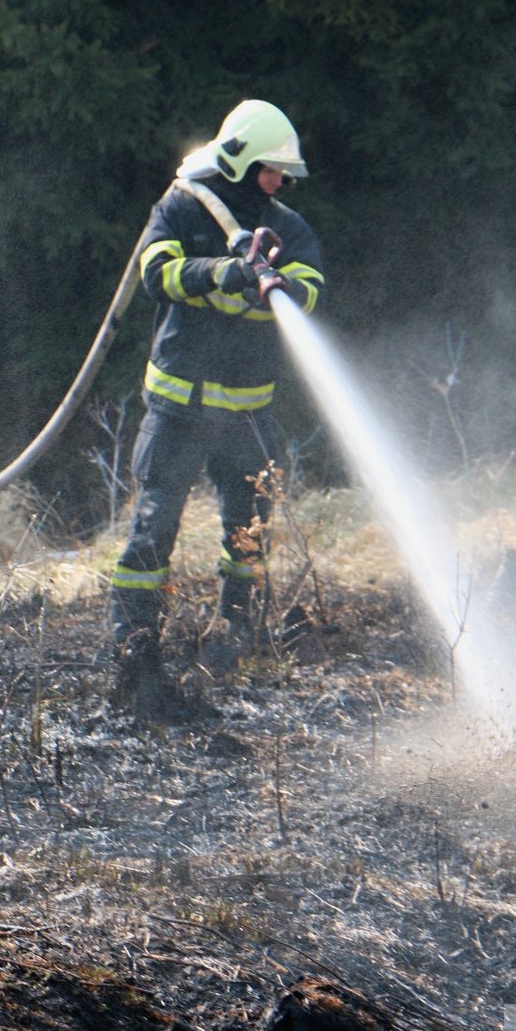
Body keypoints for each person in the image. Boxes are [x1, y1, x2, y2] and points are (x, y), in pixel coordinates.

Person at [110, 100, 325, 710]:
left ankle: (235, 633)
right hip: (178, 411)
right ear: (240, 161)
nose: (279, 182)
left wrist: (280, 283)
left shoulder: (288, 226)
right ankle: (134, 646)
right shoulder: (182, 206)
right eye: (271, 170)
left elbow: (311, 289)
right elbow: (157, 274)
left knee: (248, 535)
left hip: (247, 417)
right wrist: (225, 272)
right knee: (153, 529)